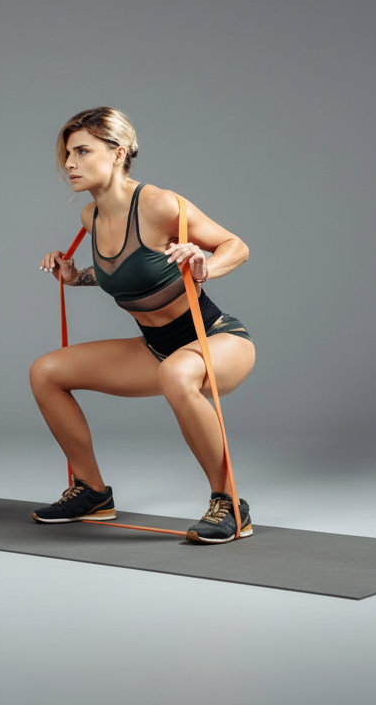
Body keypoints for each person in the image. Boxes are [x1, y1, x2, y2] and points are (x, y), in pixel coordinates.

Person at [29, 107, 256, 544]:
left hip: (216, 339)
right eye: (67, 155)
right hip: (156, 348)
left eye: (82, 151)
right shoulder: (90, 218)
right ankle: (92, 492)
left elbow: (237, 246)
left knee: (176, 373)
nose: (70, 164)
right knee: (46, 371)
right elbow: (130, 276)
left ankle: (229, 503)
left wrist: (206, 265)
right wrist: (76, 277)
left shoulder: (158, 203)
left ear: (117, 153)